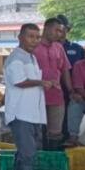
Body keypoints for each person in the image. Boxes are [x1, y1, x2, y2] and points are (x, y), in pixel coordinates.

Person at [3, 24, 50, 170]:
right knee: (28, 153)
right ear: (20, 37)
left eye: (37, 37)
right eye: (30, 36)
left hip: (32, 113)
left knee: (26, 152)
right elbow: (20, 81)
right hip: (20, 113)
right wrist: (42, 82)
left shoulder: (31, 57)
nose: (34, 40)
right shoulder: (16, 58)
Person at [34, 18, 72, 149]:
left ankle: (52, 163)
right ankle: (37, 164)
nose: (59, 34)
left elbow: (65, 69)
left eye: (61, 31)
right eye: (57, 30)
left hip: (56, 95)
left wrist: (71, 90)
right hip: (35, 96)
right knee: (37, 132)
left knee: (55, 133)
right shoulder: (32, 46)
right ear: (46, 28)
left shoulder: (59, 47)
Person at [57, 15, 85, 146]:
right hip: (50, 94)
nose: (60, 31)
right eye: (56, 28)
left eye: (63, 28)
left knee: (69, 126)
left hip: (73, 95)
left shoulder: (78, 49)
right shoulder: (42, 48)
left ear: (68, 30)